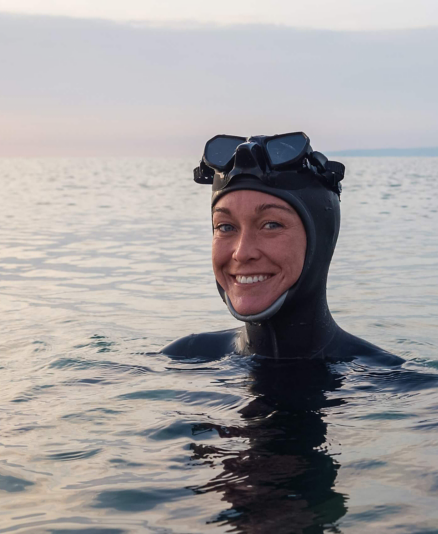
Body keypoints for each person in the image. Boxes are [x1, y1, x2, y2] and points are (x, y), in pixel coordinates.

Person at [162, 132, 404, 365]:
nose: (242, 252)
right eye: (226, 227)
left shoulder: (395, 386)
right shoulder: (182, 360)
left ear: (320, 241)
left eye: (271, 225)